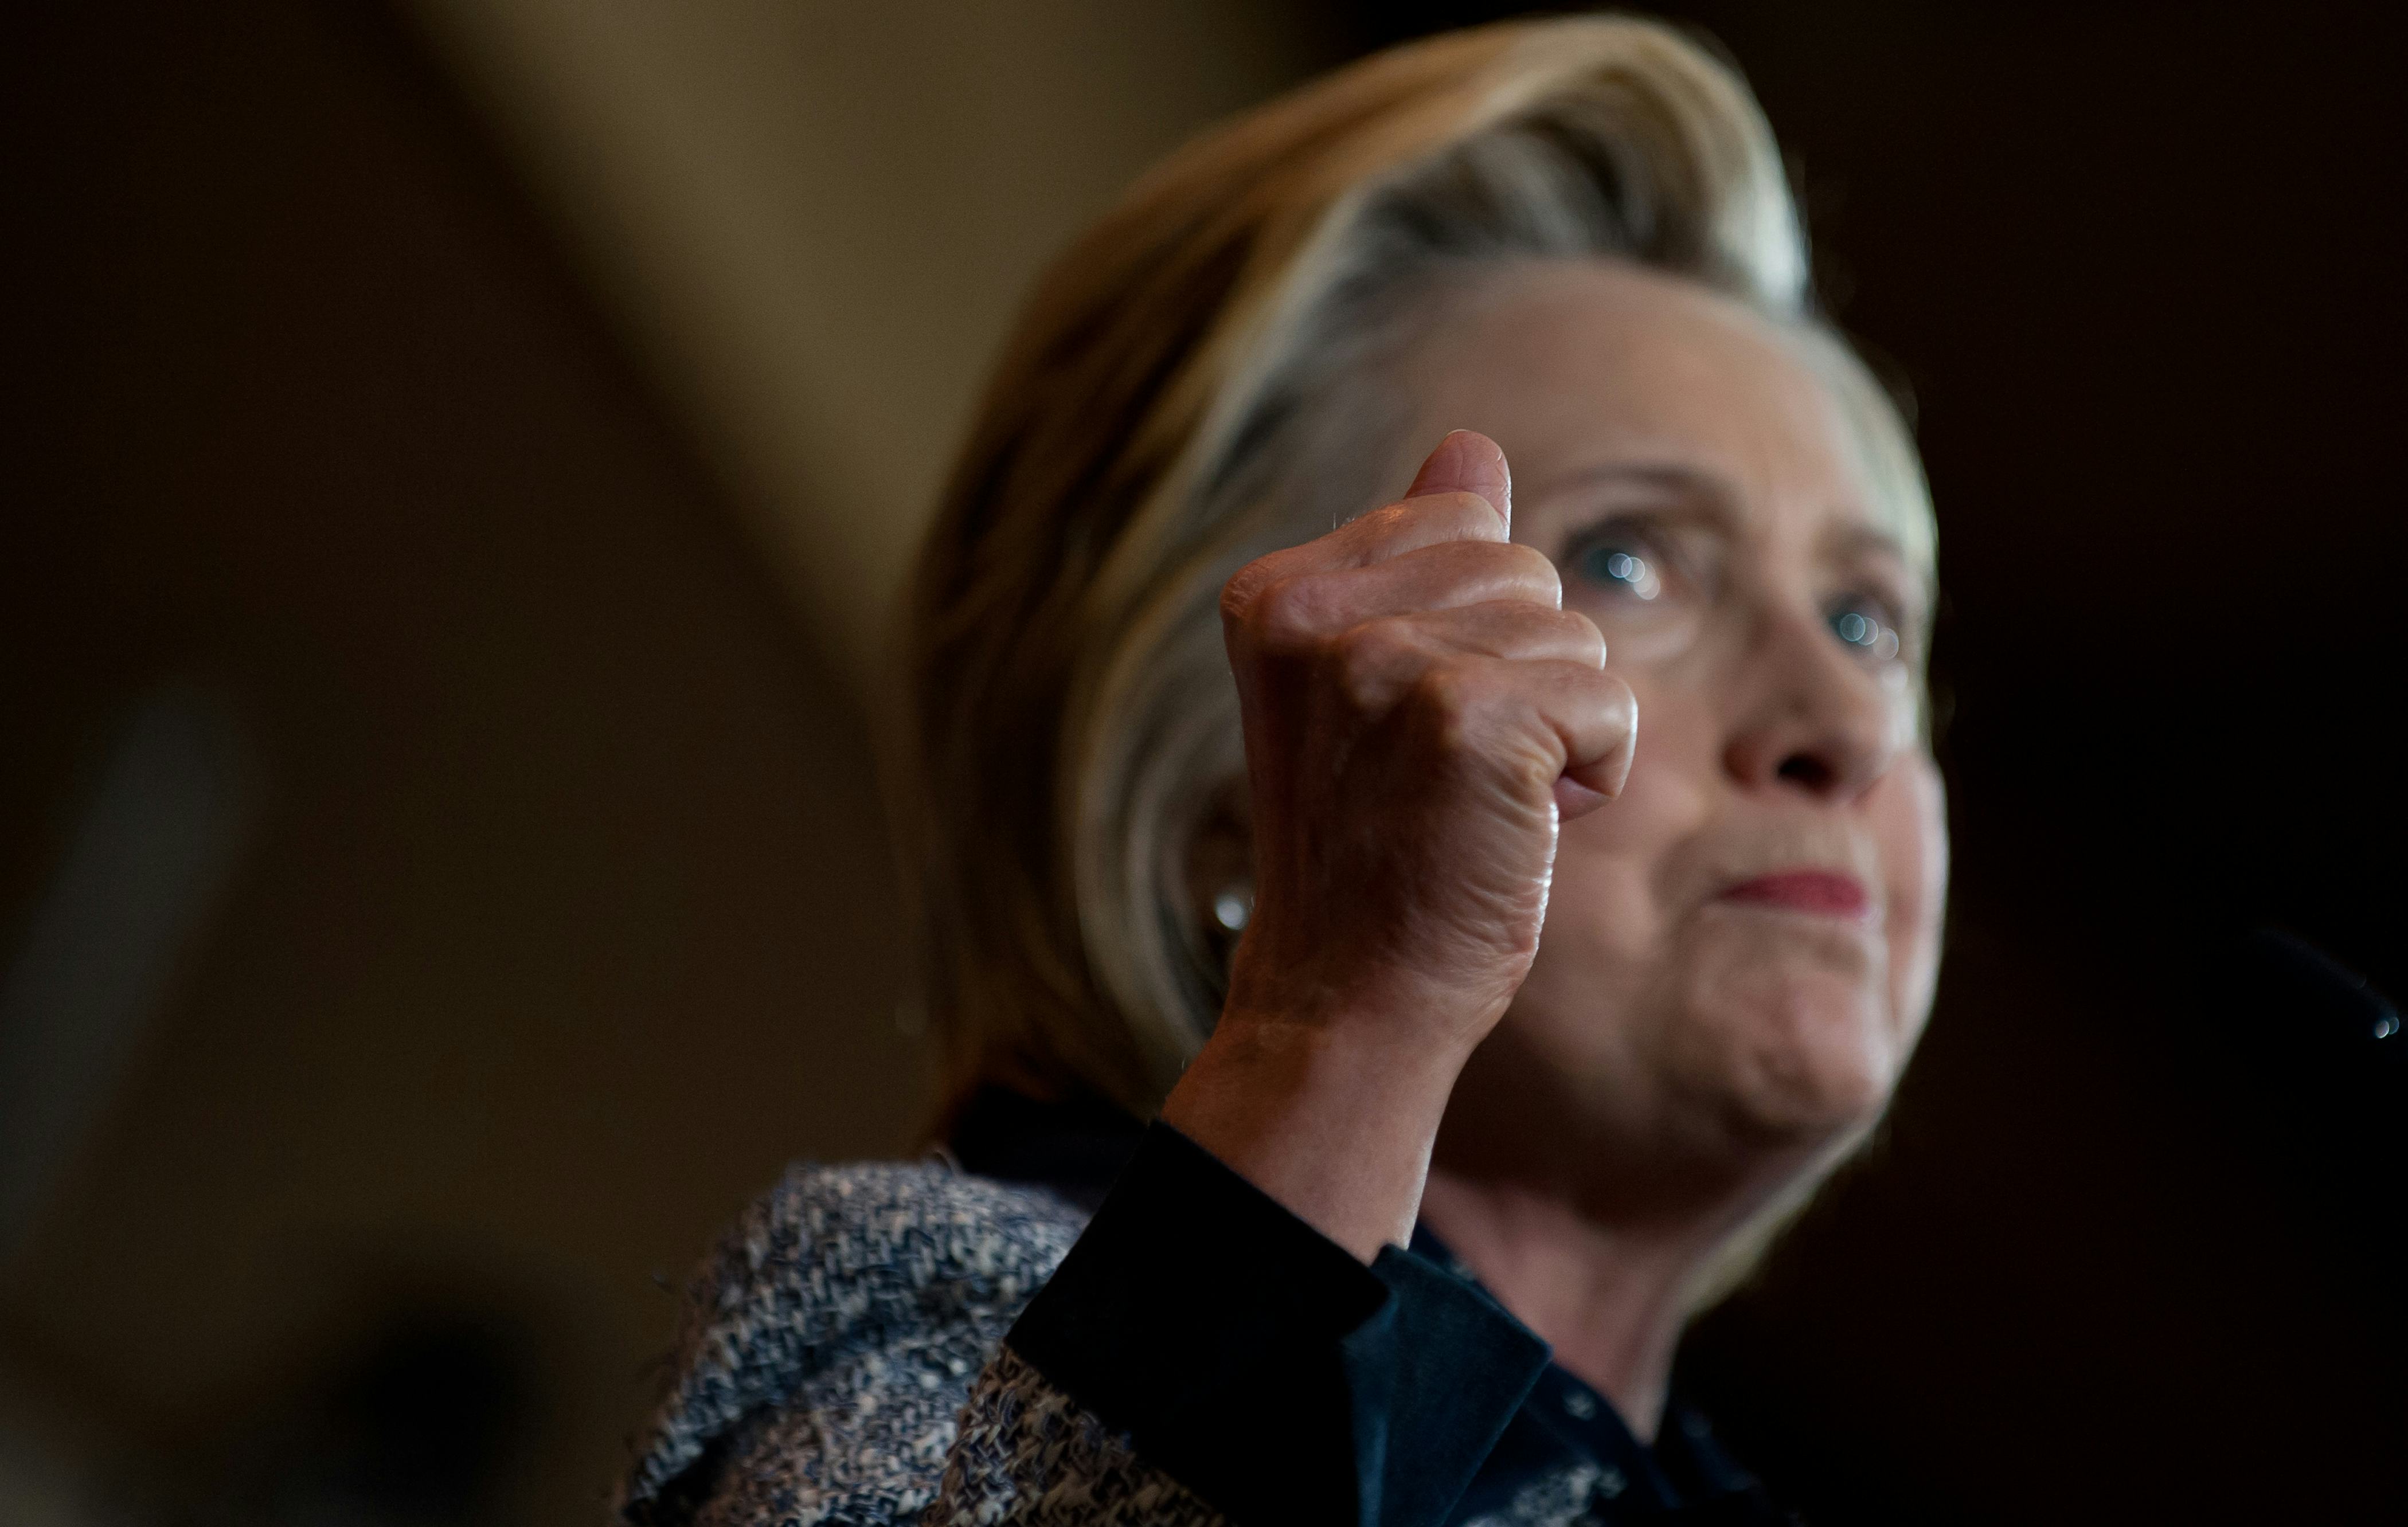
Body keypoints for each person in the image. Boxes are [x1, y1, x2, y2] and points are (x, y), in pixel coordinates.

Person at [616, 15, 1946, 1526]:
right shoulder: (930, 1340)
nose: (1840, 719)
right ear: (1229, 779)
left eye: (1868, 618)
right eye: (1627, 561)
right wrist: (1343, 1023)